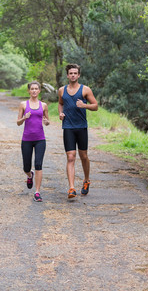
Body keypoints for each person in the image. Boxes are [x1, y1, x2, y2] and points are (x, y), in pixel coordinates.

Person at [58, 64, 98, 199]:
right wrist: (60, 114)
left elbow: (96, 106)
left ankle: (86, 180)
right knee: (70, 157)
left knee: (84, 156)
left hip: (81, 127)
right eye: (71, 73)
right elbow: (61, 103)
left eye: (75, 73)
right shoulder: (62, 90)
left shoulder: (85, 90)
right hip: (68, 127)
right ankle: (71, 188)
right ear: (67, 75)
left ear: (79, 75)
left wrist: (84, 105)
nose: (73, 75)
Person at [17, 81, 50, 202]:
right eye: (32, 89)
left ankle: (37, 192)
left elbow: (47, 120)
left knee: (38, 164)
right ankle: (29, 175)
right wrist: (24, 118)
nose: (34, 91)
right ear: (29, 91)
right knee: (26, 166)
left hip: (40, 139)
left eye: (36, 89)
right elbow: (18, 122)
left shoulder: (44, 105)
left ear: (39, 91)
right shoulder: (23, 105)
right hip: (26, 139)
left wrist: (46, 122)